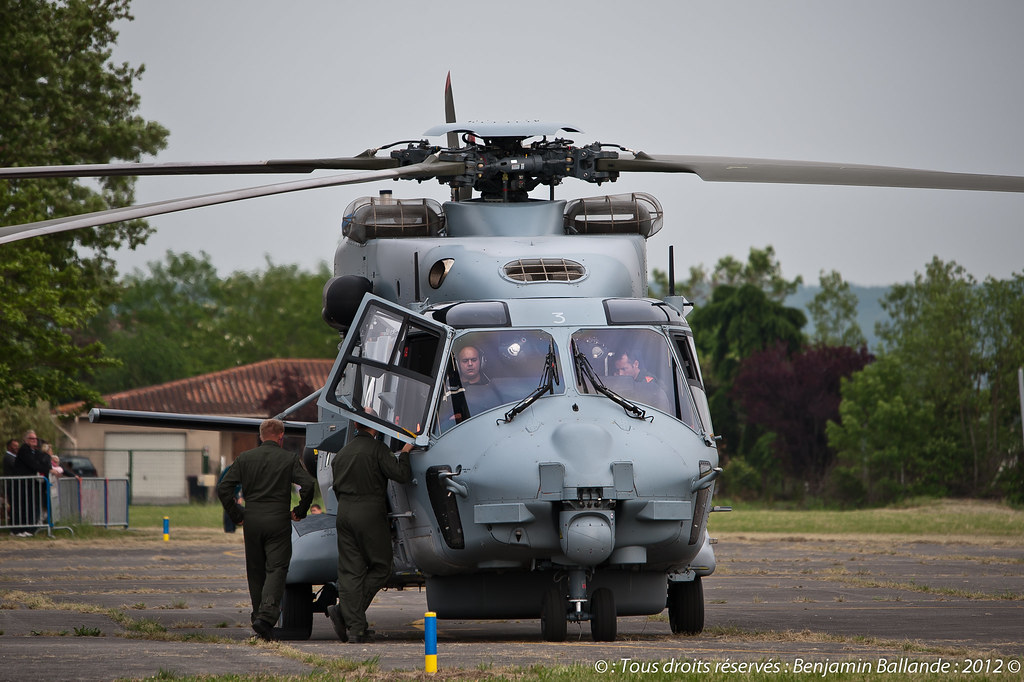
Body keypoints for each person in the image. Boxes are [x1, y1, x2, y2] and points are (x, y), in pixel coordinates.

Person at [217, 419, 316, 641]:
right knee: (277, 568)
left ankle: (258, 618)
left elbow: (224, 488)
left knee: (256, 571)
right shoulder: (289, 459)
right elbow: (308, 485)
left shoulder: (245, 458)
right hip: (278, 521)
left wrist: (238, 514)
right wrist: (299, 511)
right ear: (281, 436)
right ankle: (267, 616)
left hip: (252, 521)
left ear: (261, 436)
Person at [327, 410, 413, 643]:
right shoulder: (378, 450)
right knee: (381, 566)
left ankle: (355, 628)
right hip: (369, 512)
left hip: (344, 513)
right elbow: (401, 474)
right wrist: (405, 452)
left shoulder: (341, 455)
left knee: (349, 571)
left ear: (356, 425)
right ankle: (346, 613)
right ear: (374, 425)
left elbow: (335, 487)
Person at [11, 431, 50, 536]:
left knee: (30, 506)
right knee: (22, 507)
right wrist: (48, 470)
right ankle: (18, 530)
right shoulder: (24, 450)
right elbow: (33, 464)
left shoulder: (34, 451)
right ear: (26, 440)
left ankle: (28, 529)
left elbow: (41, 460)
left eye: (35, 439)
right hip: (22, 483)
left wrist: (48, 466)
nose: (34, 440)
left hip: (30, 484)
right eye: (32, 438)